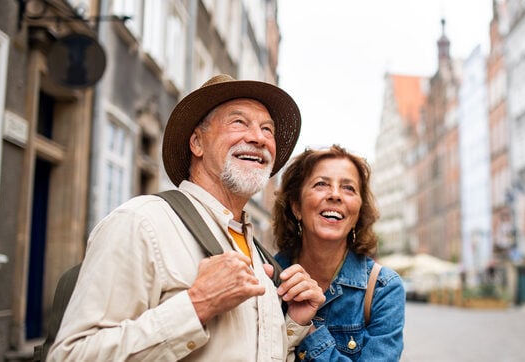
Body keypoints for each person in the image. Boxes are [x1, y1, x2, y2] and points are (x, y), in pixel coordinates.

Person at [48, 74, 325, 361]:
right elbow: (71, 355)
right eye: (238, 122)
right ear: (197, 143)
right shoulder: (141, 222)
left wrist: (293, 324)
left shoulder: (259, 253)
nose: (258, 138)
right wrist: (197, 305)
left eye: (267, 129)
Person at [272, 145, 405, 361]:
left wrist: (308, 331)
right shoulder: (266, 279)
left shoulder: (384, 288)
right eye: (321, 184)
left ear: (359, 212)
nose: (335, 195)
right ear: (296, 206)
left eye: (349, 188)